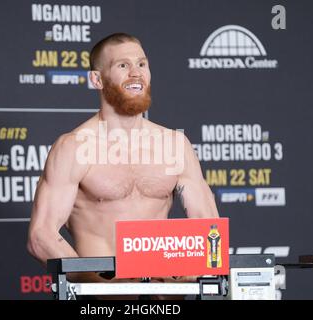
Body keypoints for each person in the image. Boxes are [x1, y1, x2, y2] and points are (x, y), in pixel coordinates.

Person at [27, 33, 219, 298]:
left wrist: (190, 275)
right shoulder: (73, 148)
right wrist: (97, 283)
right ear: (96, 79)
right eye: (122, 65)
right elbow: (41, 236)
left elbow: (208, 226)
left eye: (142, 64)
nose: (136, 73)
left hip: (166, 302)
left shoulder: (175, 145)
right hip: (103, 302)